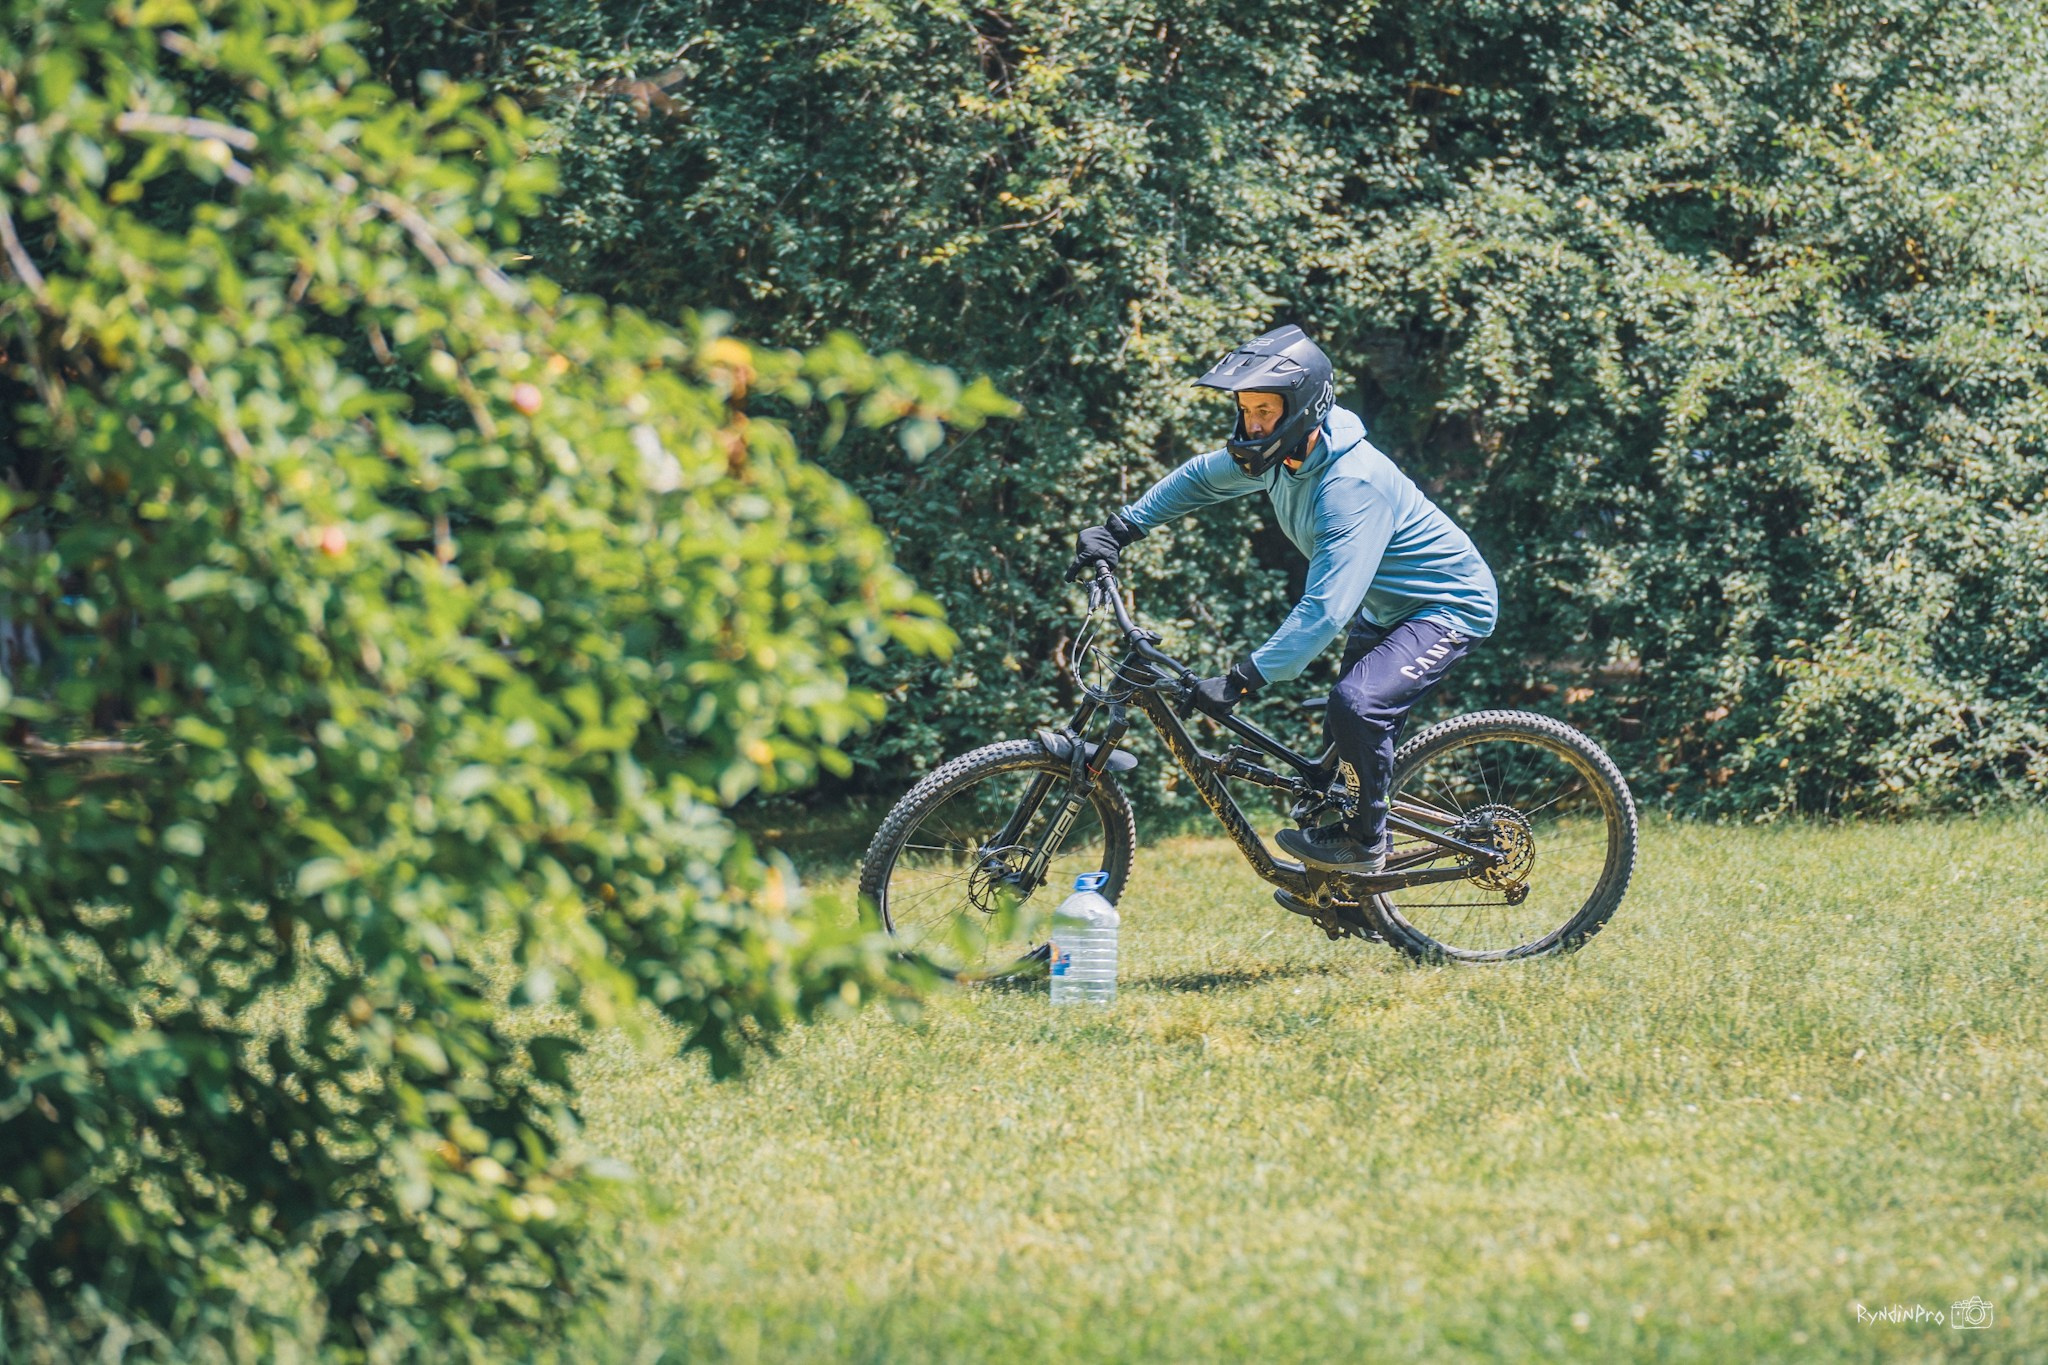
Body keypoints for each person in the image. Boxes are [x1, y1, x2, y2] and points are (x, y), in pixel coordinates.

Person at [1066, 325, 1498, 874]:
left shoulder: (1350, 485)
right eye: (1246, 410)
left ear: (1300, 408)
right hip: (1384, 607)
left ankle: (1368, 846)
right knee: (1335, 766)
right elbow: (1200, 478)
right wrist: (1122, 528)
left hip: (1447, 606)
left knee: (1358, 706)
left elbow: (1324, 611)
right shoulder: (1285, 457)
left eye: (1264, 411)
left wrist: (1244, 678)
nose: (1252, 425)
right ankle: (1348, 898)